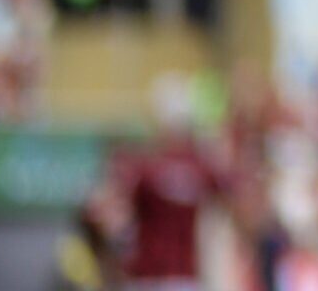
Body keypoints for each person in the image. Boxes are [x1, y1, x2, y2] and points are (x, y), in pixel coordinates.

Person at [92, 78, 231, 291]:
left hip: (149, 276)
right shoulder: (202, 166)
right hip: (185, 276)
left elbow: (112, 216)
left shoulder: (146, 167)